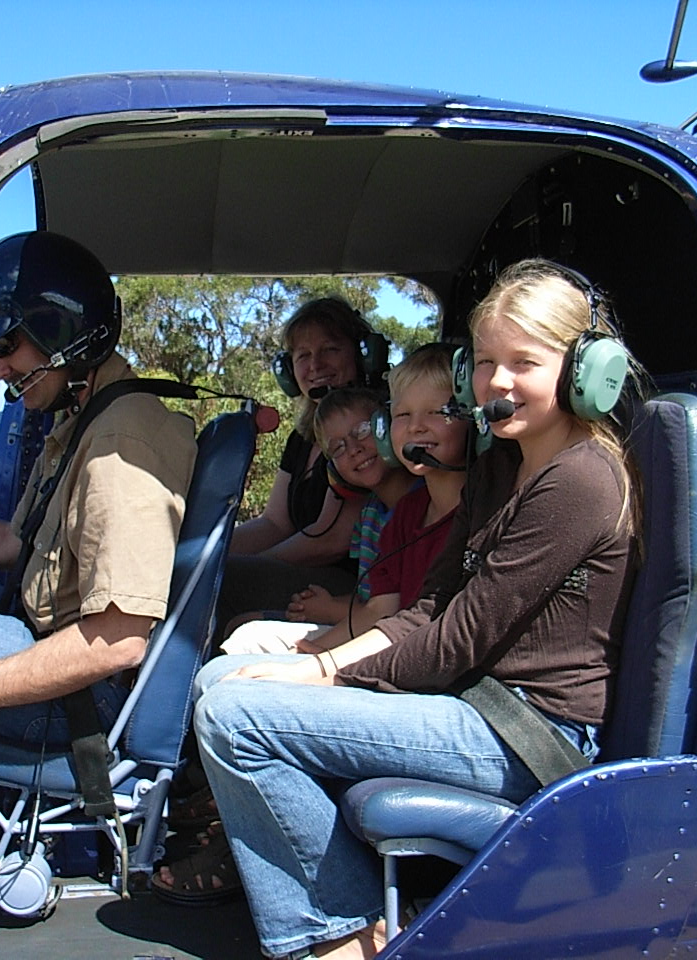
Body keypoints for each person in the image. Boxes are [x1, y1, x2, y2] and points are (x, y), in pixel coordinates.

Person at [190, 260, 642, 959]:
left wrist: (324, 677)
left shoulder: (581, 479)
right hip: (476, 703)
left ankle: (338, 936)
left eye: (525, 362)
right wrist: (327, 659)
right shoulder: (502, 465)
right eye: (485, 363)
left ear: (585, 368)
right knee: (219, 681)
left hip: (527, 731)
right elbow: (430, 605)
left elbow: (456, 638)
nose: (498, 383)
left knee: (234, 715)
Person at [0, 231, 198, 747]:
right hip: (36, 634)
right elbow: (13, 544)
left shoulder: (120, 440)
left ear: (64, 333)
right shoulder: (83, 418)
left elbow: (118, 640)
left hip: (80, 697)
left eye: (5, 345)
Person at [223, 347, 467, 656]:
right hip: (384, 634)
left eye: (364, 431)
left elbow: (391, 614)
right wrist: (312, 651)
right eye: (337, 448)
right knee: (246, 635)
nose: (353, 449)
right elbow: (380, 606)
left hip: (409, 648)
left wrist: (320, 643)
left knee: (249, 636)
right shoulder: (400, 516)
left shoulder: (468, 511)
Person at [215, 298, 387, 635]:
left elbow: (333, 540)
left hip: (351, 583)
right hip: (307, 570)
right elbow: (275, 523)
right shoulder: (303, 437)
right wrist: (207, 550)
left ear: (361, 354)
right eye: (303, 356)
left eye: (330, 350)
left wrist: (239, 566)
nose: (315, 365)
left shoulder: (367, 428)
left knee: (224, 584)